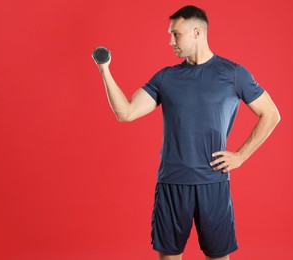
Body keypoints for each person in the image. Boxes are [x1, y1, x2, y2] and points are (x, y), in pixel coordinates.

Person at [94, 5, 280, 260]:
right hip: (172, 182)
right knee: (169, 257)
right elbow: (125, 113)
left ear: (196, 32)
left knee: (218, 257)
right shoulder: (165, 78)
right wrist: (104, 69)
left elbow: (271, 114)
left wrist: (241, 155)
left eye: (175, 34)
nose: (170, 41)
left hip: (213, 183)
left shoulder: (233, 74)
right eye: (170, 34)